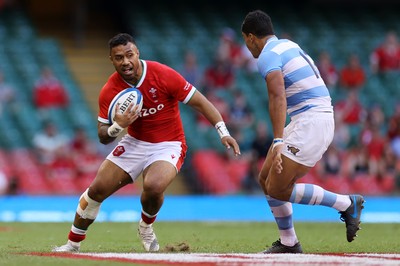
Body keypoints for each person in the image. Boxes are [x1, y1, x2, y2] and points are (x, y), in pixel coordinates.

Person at [52, 33, 240, 253]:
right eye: (119, 57)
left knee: (153, 186)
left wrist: (223, 132)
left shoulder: (162, 74)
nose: (125, 62)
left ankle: (146, 226)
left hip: (169, 143)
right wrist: (117, 126)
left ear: (137, 53)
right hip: (135, 142)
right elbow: (103, 135)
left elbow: (200, 102)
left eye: (129, 55)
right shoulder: (110, 91)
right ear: (111, 60)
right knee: (97, 190)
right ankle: (73, 244)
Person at [241, 10, 364, 254]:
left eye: (245, 40)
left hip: (312, 122)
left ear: (252, 37)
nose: (247, 46)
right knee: (266, 179)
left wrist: (277, 140)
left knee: (278, 188)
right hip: (306, 119)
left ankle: (347, 203)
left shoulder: (266, 56)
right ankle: (289, 242)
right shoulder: (287, 44)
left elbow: (277, 97)